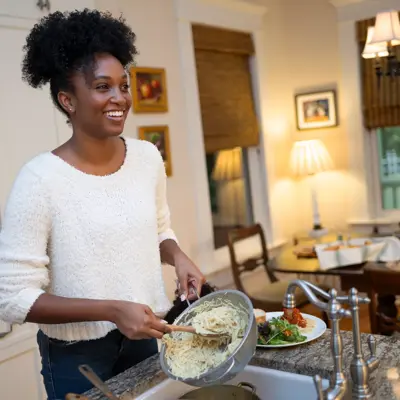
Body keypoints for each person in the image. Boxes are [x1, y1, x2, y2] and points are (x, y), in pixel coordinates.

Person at [0, 9, 205, 400]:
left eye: (123, 85)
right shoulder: (40, 179)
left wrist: (177, 256)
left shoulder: (147, 158)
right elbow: (12, 298)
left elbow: (159, 228)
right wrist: (111, 310)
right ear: (67, 100)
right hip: (77, 358)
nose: (120, 98)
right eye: (102, 87)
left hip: (146, 337)